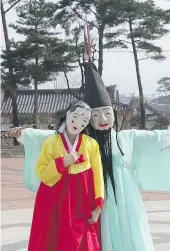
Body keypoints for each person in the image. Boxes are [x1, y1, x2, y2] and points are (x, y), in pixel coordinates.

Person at [10, 65, 170, 251]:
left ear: (114, 114)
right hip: (88, 199)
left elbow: (157, 139)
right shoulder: (86, 141)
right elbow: (49, 137)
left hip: (124, 198)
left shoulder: (126, 138)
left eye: (107, 113)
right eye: (96, 115)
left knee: (129, 234)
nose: (103, 120)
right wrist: (24, 134)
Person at [14, 100, 104, 251]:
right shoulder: (51, 142)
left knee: (84, 240)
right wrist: (63, 162)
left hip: (82, 201)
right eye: (75, 117)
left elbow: (98, 176)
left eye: (84, 121)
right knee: (52, 238)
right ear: (67, 115)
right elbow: (42, 171)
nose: (78, 123)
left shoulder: (91, 144)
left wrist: (98, 208)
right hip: (54, 200)